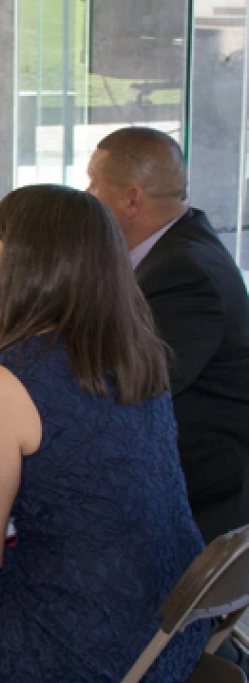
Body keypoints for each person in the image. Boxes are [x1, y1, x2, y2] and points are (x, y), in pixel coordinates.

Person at [0, 185, 206, 683]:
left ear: (31, 265)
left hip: (88, 658)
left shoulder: (0, 385)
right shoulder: (137, 351)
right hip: (173, 633)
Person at [85, 126, 249, 542]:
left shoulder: (185, 274)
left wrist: (27, 360)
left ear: (132, 199)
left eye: (93, 184)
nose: (86, 196)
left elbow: (131, 383)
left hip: (195, 490)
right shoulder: (173, 247)